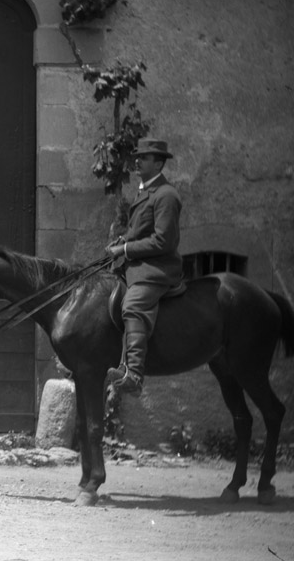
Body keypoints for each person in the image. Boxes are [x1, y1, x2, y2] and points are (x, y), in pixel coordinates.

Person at [104, 137, 184, 395]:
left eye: (145, 157)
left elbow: (164, 240)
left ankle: (135, 375)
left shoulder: (166, 195)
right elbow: (139, 231)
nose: (137, 160)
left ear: (159, 164)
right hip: (138, 265)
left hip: (157, 269)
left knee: (133, 305)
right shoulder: (145, 191)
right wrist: (123, 240)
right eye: (137, 156)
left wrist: (125, 249)